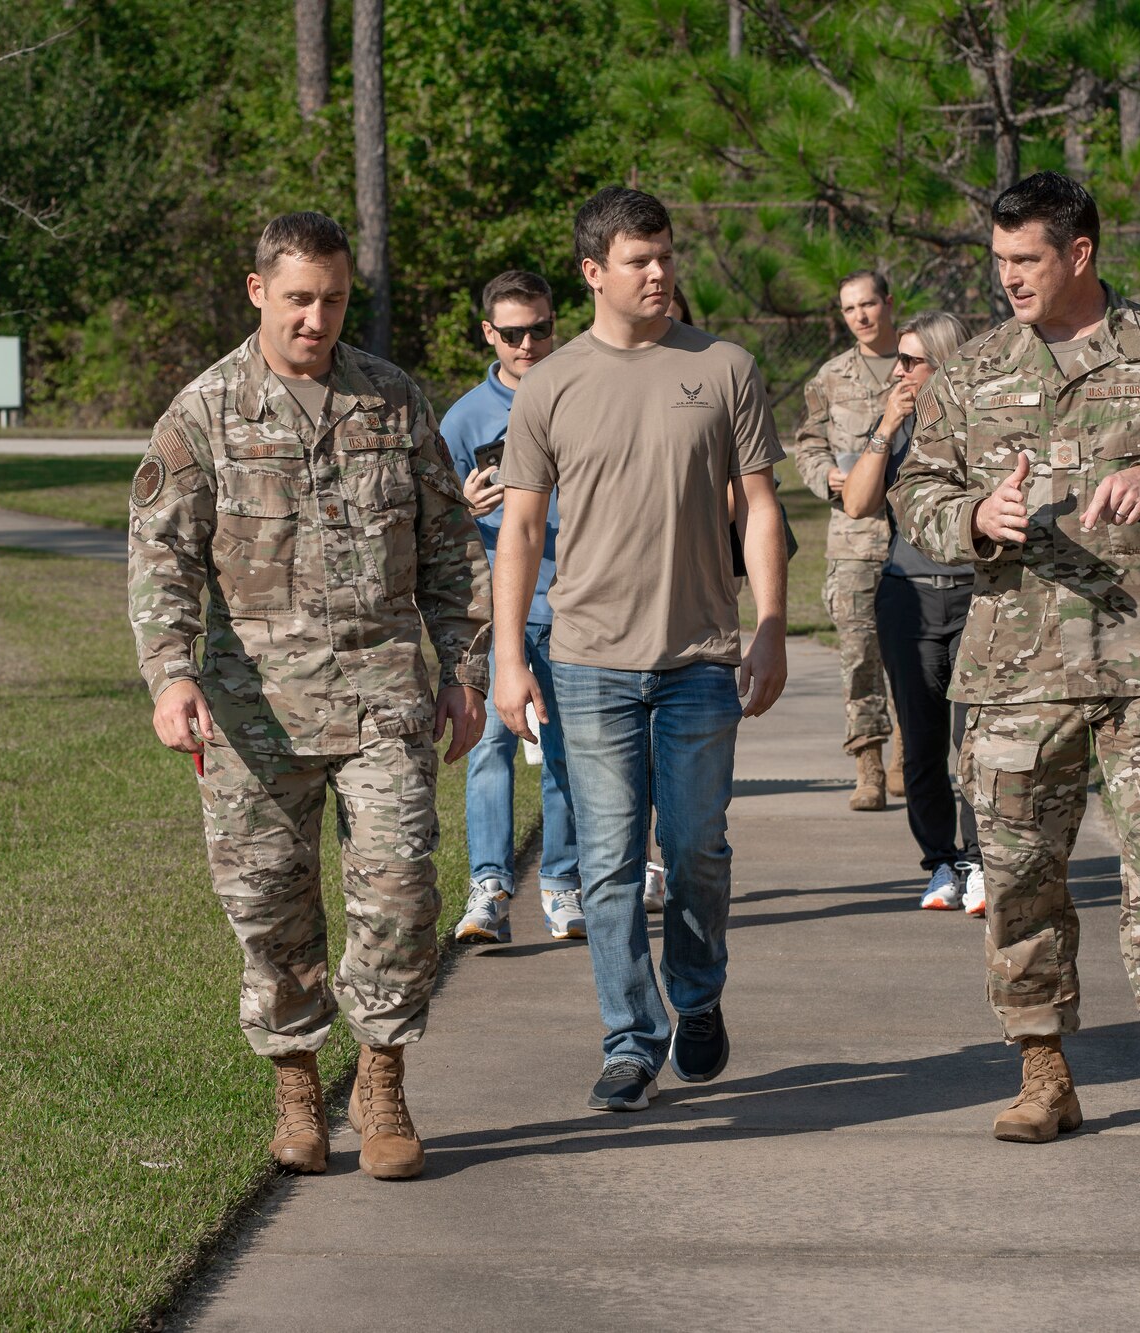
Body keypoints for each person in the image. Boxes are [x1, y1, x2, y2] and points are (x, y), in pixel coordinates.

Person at [889, 171, 1140, 1162]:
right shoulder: (968, 375)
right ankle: (1043, 1074)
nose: (1006, 278)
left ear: (1079, 254)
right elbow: (914, 494)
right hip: (1016, 671)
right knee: (1018, 881)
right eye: (997, 260)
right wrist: (971, 517)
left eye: (1025, 260)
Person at [128, 212, 492, 1182]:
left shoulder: (391, 400)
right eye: (297, 299)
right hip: (255, 713)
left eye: (331, 299)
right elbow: (159, 557)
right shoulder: (202, 412)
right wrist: (169, 675)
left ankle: (380, 1079)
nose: (315, 318)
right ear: (258, 293)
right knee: (269, 907)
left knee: (400, 892)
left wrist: (464, 671)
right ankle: (295, 1084)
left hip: (382, 699)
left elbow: (452, 551)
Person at [493, 186, 790, 1112]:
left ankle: (697, 995)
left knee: (698, 849)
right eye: (638, 260)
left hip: (701, 654)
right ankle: (631, 1039)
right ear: (593, 273)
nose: (660, 272)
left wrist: (773, 625)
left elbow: (764, 506)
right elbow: (522, 529)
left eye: (665, 254)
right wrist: (508, 657)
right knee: (611, 861)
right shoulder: (550, 384)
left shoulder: (725, 367)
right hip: (587, 662)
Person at [440, 270, 584, 943]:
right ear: (489, 334)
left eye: (541, 329)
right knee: (490, 743)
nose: (529, 344)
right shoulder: (464, 419)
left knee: (566, 749)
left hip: (572, 602)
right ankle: (490, 890)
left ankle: (562, 887)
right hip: (494, 608)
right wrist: (462, 508)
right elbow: (431, 525)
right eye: (514, 333)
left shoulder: (585, 394)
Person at [838, 311, 985, 915]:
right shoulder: (895, 425)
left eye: (910, 361)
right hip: (909, 595)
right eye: (897, 359)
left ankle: (980, 863)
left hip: (979, 595)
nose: (897, 370)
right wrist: (887, 424)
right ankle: (941, 864)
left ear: (944, 364)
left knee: (975, 741)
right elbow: (856, 502)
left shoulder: (985, 422)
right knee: (922, 744)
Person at [795, 270, 899, 812]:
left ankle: (909, 751)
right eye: (849, 309)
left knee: (921, 652)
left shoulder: (925, 367)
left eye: (868, 304)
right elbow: (807, 444)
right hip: (855, 540)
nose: (860, 316)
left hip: (918, 537)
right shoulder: (832, 377)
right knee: (860, 655)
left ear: (888, 303)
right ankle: (869, 764)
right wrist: (824, 477)